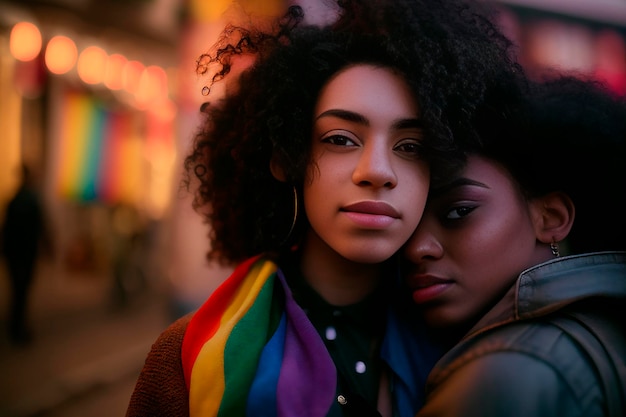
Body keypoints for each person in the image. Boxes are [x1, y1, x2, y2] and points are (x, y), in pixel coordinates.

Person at [126, 0, 523, 416]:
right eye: (341, 139)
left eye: (411, 147)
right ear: (286, 158)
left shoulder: (476, 350)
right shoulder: (189, 356)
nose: (378, 171)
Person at [403, 75, 626, 417]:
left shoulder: (508, 373)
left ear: (550, 218)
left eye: (458, 212)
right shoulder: (601, 329)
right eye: (407, 218)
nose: (416, 248)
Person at [1, 164, 50, 345]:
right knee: (21, 291)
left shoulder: (15, 199)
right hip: (25, 253)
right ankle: (18, 327)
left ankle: (15, 326)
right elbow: (41, 226)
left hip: (15, 253)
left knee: (17, 290)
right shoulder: (30, 200)